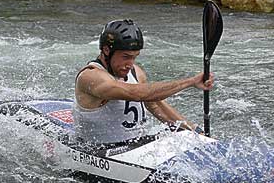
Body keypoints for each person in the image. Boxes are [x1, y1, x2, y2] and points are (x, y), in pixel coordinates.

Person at [73, 20, 213, 146]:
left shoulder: (135, 72)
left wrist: (195, 133)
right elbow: (136, 94)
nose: (130, 64)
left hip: (135, 148)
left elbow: (155, 104)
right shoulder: (91, 76)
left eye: (134, 57)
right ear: (106, 50)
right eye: (126, 57)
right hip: (98, 150)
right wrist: (190, 82)